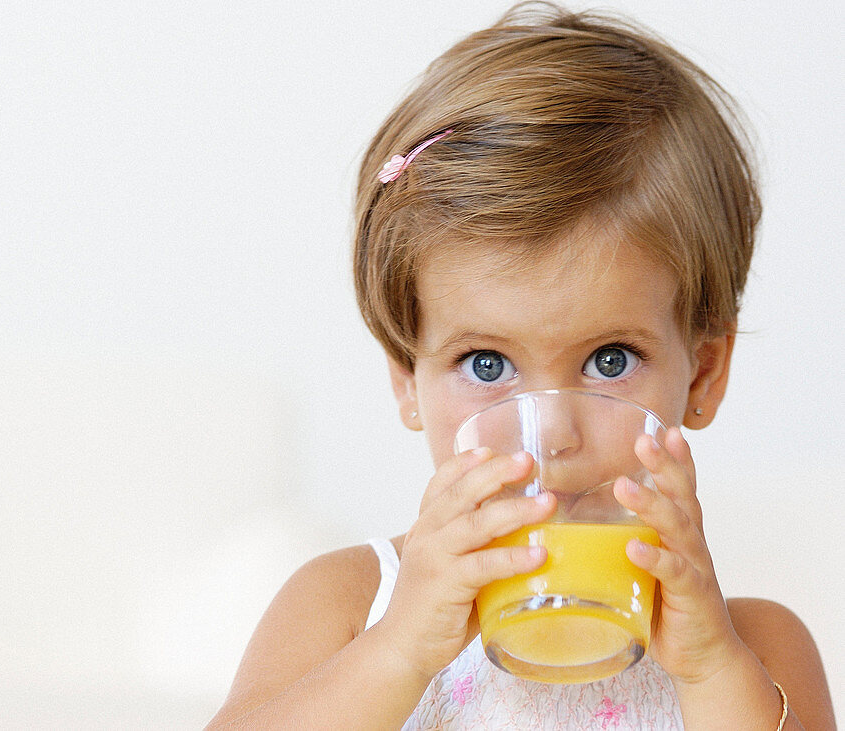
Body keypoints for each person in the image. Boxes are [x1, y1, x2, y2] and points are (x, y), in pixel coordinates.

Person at [206, 3, 836, 728]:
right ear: (406, 377)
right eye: (485, 362)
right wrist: (398, 653)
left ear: (701, 374)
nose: (554, 433)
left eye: (609, 359)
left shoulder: (755, 649)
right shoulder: (350, 604)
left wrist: (712, 669)